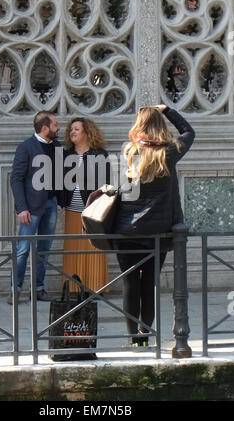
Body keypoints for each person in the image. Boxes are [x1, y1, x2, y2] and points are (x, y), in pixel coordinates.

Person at [113, 104, 195, 346]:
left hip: (127, 231)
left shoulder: (128, 150)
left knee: (130, 284)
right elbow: (189, 132)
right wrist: (168, 110)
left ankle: (132, 338)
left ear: (139, 125)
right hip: (157, 233)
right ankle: (144, 337)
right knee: (149, 285)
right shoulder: (170, 152)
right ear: (160, 126)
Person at [8, 111, 62, 304]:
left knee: (44, 248)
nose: (59, 128)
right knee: (23, 249)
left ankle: (38, 289)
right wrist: (21, 208)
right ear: (45, 127)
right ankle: (15, 290)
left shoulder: (57, 146)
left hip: (51, 204)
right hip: (30, 208)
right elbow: (16, 179)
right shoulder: (26, 147)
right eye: (55, 125)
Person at [62, 117, 111, 293]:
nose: (72, 132)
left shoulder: (99, 154)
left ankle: (95, 287)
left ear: (87, 132)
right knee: (73, 249)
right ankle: (73, 288)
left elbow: (106, 184)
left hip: (92, 211)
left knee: (93, 248)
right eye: (71, 129)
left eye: (76, 129)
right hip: (72, 211)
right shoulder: (66, 155)